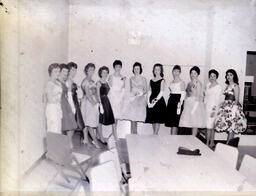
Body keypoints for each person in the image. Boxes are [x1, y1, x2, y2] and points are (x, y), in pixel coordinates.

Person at [215, 69, 247, 143]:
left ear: (234, 76)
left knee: (232, 127)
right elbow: (226, 97)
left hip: (233, 109)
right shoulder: (227, 86)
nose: (229, 76)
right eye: (227, 75)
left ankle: (228, 145)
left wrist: (233, 112)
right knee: (229, 127)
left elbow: (236, 99)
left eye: (231, 75)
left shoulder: (235, 86)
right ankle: (228, 145)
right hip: (226, 108)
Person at [122, 62, 147, 134]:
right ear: (133, 69)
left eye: (138, 68)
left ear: (140, 69)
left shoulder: (143, 79)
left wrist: (140, 94)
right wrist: (130, 98)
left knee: (136, 118)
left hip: (139, 99)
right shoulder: (131, 78)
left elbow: (145, 90)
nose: (136, 70)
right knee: (132, 118)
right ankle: (131, 135)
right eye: (135, 68)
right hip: (132, 99)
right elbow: (131, 89)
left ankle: (135, 135)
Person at [179, 66, 205, 136]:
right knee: (189, 123)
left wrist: (193, 109)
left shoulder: (198, 83)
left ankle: (194, 139)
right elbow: (187, 94)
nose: (193, 75)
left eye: (195, 73)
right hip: (188, 103)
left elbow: (199, 96)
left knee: (195, 123)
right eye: (191, 73)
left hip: (195, 105)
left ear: (198, 74)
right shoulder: (189, 83)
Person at [81, 63, 101, 148]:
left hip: (93, 103)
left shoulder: (93, 81)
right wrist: (94, 103)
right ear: (86, 71)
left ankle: (86, 139)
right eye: (90, 70)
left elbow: (96, 93)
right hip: (88, 103)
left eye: (93, 70)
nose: (91, 71)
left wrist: (98, 102)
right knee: (88, 123)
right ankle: (95, 141)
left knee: (88, 122)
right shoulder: (85, 81)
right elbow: (88, 95)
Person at [58, 64, 77, 148]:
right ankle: (65, 144)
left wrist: (72, 106)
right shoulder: (57, 81)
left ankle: (68, 143)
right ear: (60, 71)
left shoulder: (64, 80)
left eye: (67, 71)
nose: (66, 73)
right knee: (63, 125)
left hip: (66, 102)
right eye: (64, 71)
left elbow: (68, 94)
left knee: (71, 124)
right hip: (60, 103)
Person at [145, 63, 167, 134]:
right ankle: (155, 135)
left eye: (158, 69)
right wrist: (148, 102)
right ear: (153, 71)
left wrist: (154, 102)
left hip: (159, 102)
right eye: (155, 69)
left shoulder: (162, 80)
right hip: (151, 101)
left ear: (161, 71)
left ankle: (155, 135)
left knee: (157, 119)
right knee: (153, 119)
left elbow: (161, 92)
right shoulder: (151, 80)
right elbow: (149, 91)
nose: (157, 71)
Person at [96, 66, 115, 143]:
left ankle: (100, 136)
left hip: (106, 101)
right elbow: (97, 94)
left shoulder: (107, 82)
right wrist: (100, 105)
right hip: (101, 101)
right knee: (100, 120)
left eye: (106, 72)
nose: (105, 74)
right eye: (103, 72)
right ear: (100, 73)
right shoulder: (98, 82)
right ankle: (100, 137)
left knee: (107, 119)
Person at [165, 65, 186, 135]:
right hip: (171, 101)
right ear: (172, 72)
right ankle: (172, 138)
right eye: (174, 71)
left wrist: (180, 103)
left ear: (180, 72)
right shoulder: (171, 82)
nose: (176, 73)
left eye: (177, 71)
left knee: (176, 122)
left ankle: (174, 139)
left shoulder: (182, 82)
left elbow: (183, 94)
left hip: (178, 102)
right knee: (172, 122)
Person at [108, 60, 126, 140]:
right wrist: (116, 98)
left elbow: (123, 88)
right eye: (116, 67)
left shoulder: (123, 77)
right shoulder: (111, 76)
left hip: (120, 98)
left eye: (119, 66)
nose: (118, 68)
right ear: (114, 67)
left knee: (117, 117)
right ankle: (115, 134)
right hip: (113, 97)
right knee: (113, 117)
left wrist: (120, 98)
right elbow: (110, 89)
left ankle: (113, 133)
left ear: (121, 67)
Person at [204, 69, 222, 147]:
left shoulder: (218, 87)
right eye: (211, 76)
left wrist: (214, 110)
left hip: (213, 108)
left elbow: (217, 100)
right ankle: (211, 142)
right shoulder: (208, 85)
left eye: (214, 76)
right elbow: (206, 97)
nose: (212, 78)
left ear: (216, 77)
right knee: (209, 126)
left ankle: (208, 143)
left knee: (210, 126)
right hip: (207, 107)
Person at [66, 62, 85, 132]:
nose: (75, 72)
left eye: (75, 70)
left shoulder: (71, 79)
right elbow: (69, 94)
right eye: (73, 70)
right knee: (72, 122)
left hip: (75, 101)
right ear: (69, 70)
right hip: (72, 102)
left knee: (75, 122)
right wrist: (72, 106)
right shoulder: (68, 80)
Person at [44, 63, 62, 134]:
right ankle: (52, 145)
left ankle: (56, 144)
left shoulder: (58, 83)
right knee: (53, 128)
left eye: (58, 71)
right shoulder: (49, 84)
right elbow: (50, 99)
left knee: (58, 128)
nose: (58, 73)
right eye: (55, 71)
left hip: (58, 107)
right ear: (51, 72)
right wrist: (57, 97)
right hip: (52, 108)